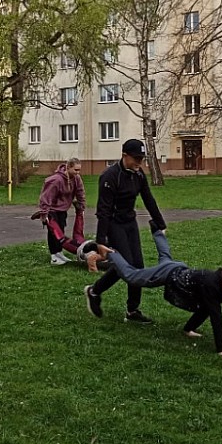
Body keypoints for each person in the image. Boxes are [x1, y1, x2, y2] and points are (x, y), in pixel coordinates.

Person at [84, 223, 222, 358]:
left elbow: (205, 309)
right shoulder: (213, 287)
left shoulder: (221, 285)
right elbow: (215, 318)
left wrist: (188, 329)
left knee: (165, 256)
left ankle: (156, 230)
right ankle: (109, 251)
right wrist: (221, 350)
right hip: (169, 274)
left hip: (177, 267)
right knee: (132, 276)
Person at [85, 139, 167, 324]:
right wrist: (101, 241)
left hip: (130, 222)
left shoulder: (138, 175)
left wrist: (161, 225)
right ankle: (94, 291)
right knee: (128, 265)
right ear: (124, 156)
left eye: (142, 159)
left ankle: (132, 311)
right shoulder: (110, 176)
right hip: (114, 223)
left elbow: (148, 199)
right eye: (136, 158)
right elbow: (103, 210)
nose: (139, 163)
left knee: (136, 266)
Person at [37, 158, 86, 265]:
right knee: (54, 233)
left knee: (61, 231)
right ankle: (54, 256)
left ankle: (59, 253)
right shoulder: (56, 180)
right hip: (51, 210)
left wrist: (81, 207)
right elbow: (46, 197)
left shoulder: (76, 179)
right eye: (75, 170)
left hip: (62, 209)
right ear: (68, 168)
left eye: (79, 170)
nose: (77, 172)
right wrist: (44, 213)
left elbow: (80, 192)